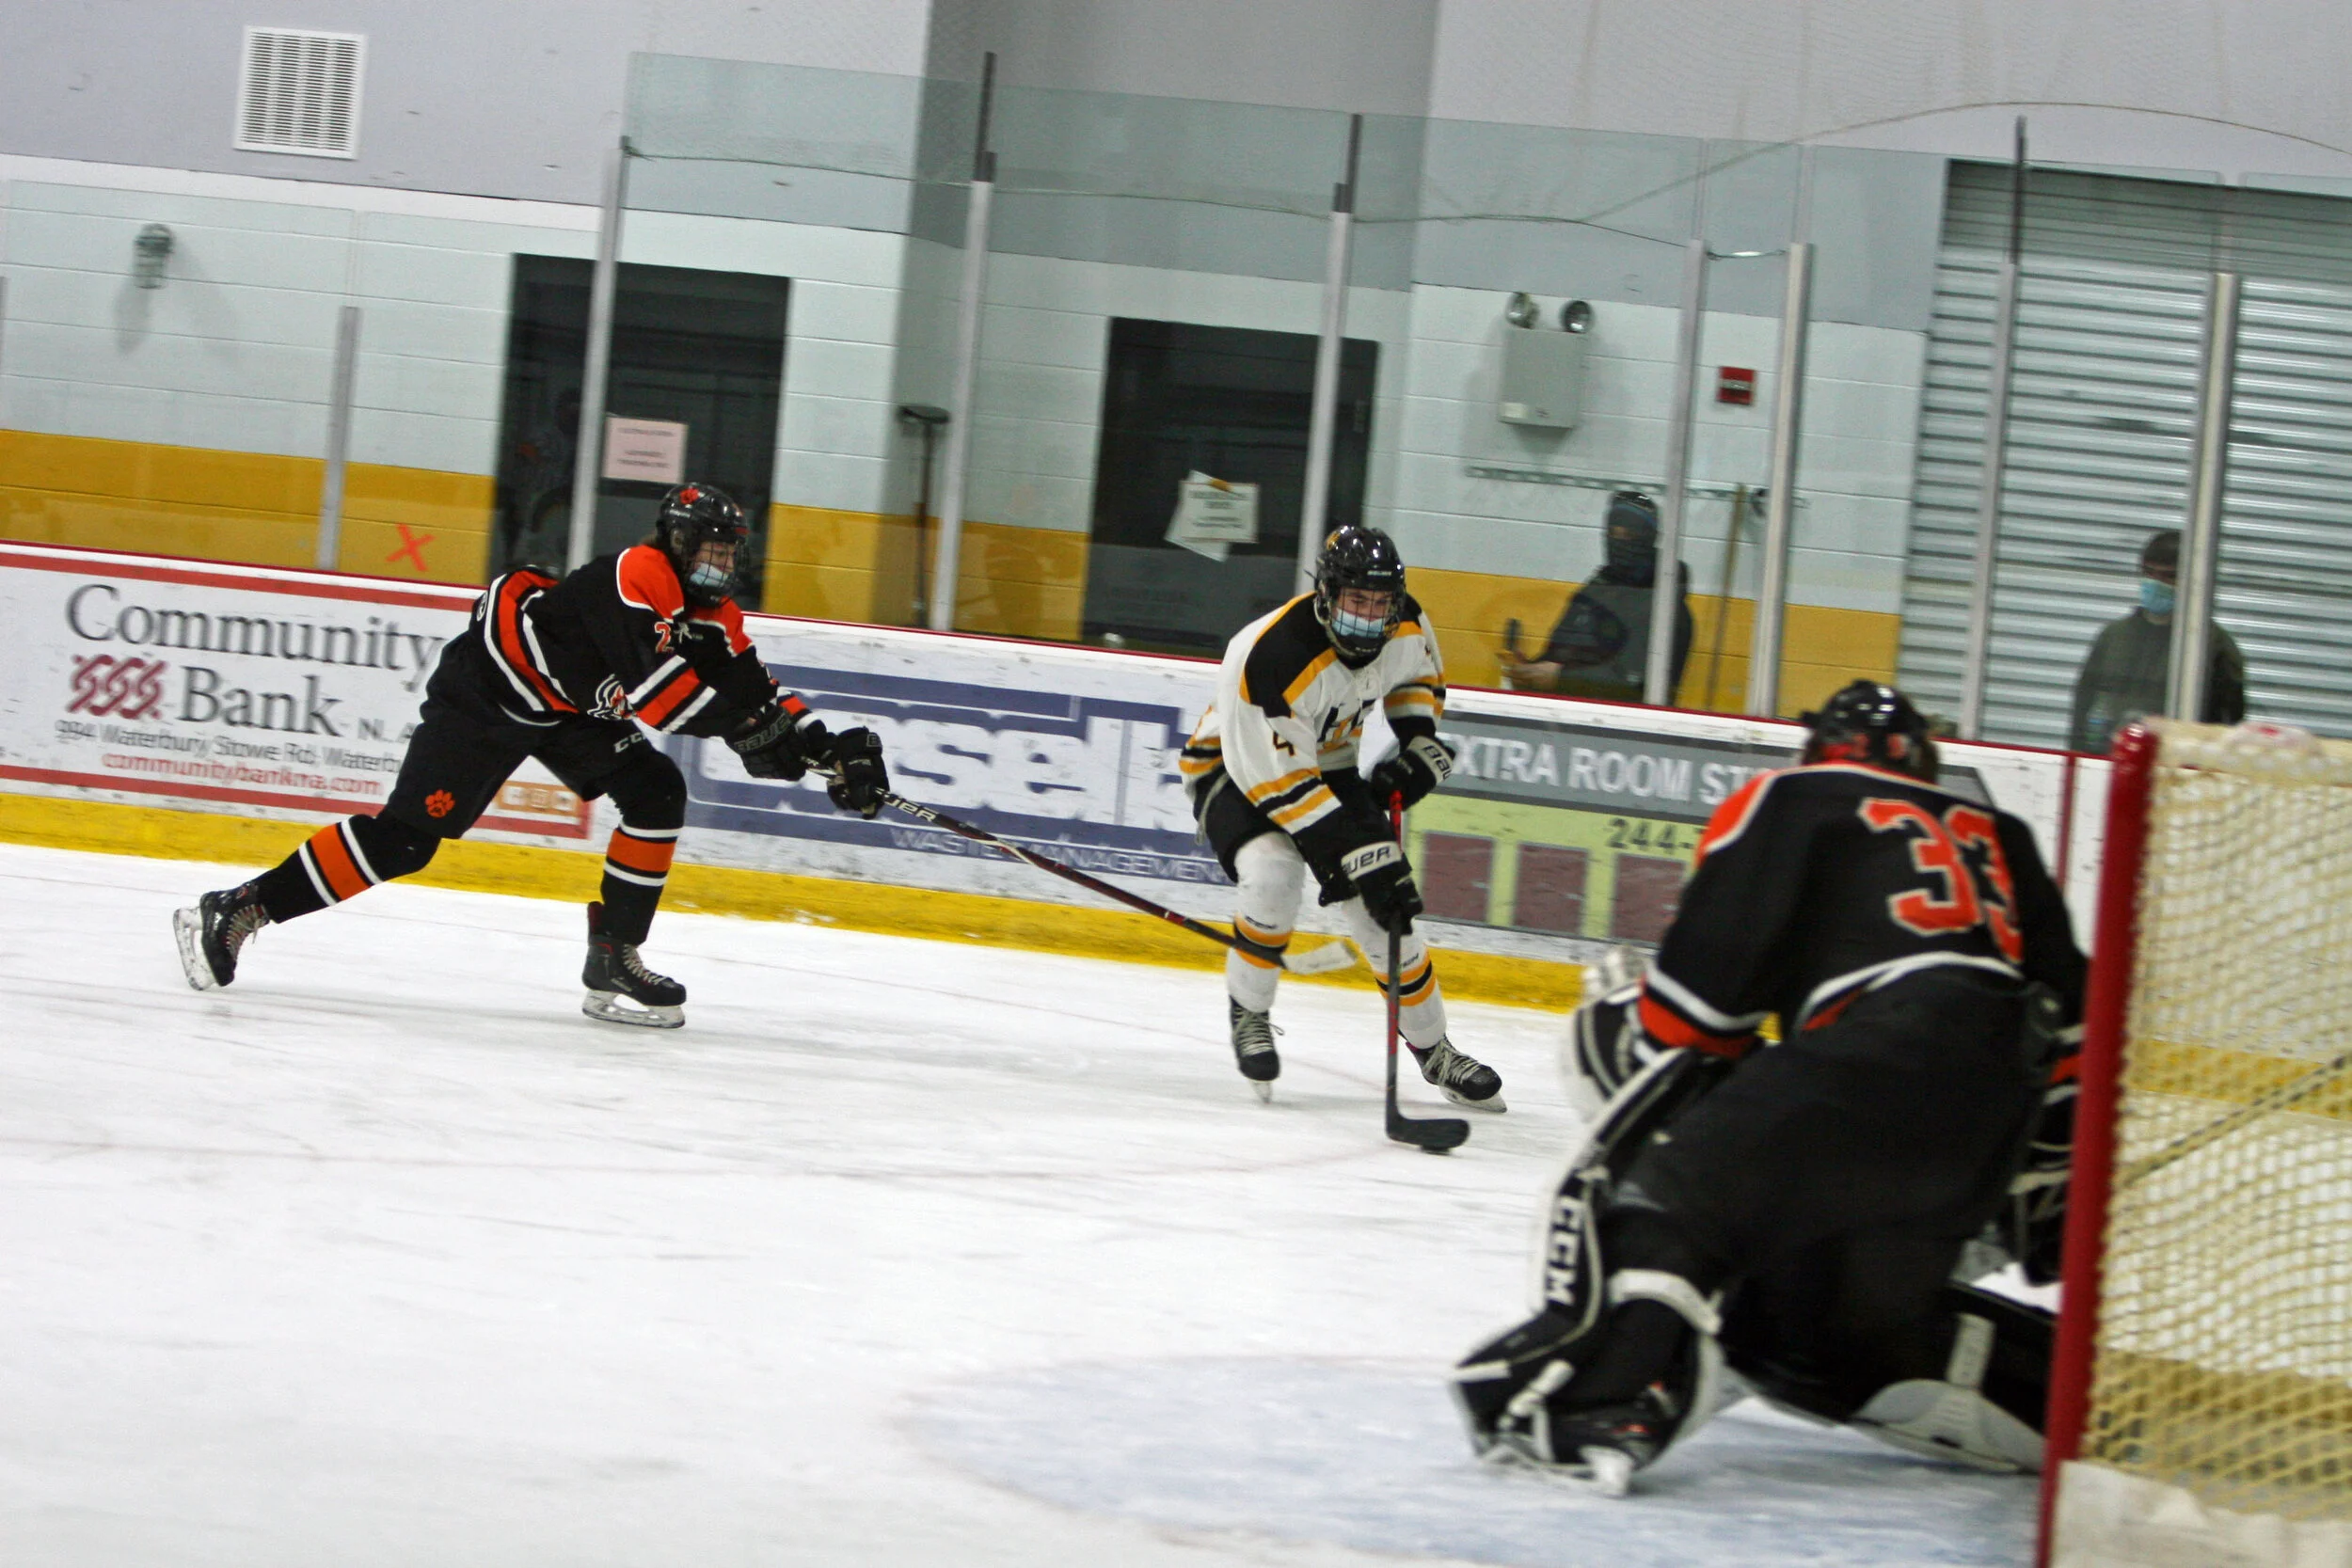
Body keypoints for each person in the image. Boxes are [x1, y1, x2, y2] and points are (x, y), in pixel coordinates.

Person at [1452, 680, 2086, 1492]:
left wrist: (1631, 1029)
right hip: (1991, 1113)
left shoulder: (1792, 797)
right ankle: (2082, 1393)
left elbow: (1691, 1020)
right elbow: (2076, 1031)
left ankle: (1594, 1405)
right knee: (1816, 1334)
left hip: (1880, 1059)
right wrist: (2038, 1199)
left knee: (1670, 1189)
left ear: (1818, 749)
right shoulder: (2002, 832)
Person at [173, 483, 891, 1029]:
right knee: (406, 841)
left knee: (655, 793)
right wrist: (759, 736)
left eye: (730, 551)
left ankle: (612, 957)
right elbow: (665, 701)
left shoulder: (717, 617)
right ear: (675, 541)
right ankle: (241, 906)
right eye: (709, 547)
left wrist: (821, 746)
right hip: (490, 691)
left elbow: (756, 690)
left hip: (565, 708)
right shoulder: (640, 573)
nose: (720, 562)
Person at [1181, 526, 1504, 1110]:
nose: (1370, 615)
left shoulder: (1407, 625)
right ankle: (1249, 1012)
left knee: (1386, 913)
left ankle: (1435, 1051)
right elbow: (1279, 788)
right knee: (1274, 875)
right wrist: (1354, 853)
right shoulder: (1271, 656)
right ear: (1327, 594)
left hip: (1327, 766)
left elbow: (1418, 681)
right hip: (1235, 769)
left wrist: (1416, 743)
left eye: (1381, 603)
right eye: (1358, 600)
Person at [1499, 491, 1693, 704]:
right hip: (1564, 721)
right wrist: (1528, 672)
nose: (1619, 543)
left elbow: (1635, 683)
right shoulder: (1594, 592)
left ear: (1648, 539)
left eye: (1629, 536)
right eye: (1613, 534)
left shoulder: (1667, 608)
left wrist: (1560, 678)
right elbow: (1557, 656)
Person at [2068, 529, 2246, 752]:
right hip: (2110, 762)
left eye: (2168, 576)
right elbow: (2083, 708)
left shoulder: (2211, 645)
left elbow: (2229, 724)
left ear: (2191, 580)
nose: (2155, 583)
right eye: (2149, 573)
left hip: (2177, 771)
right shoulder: (2114, 637)